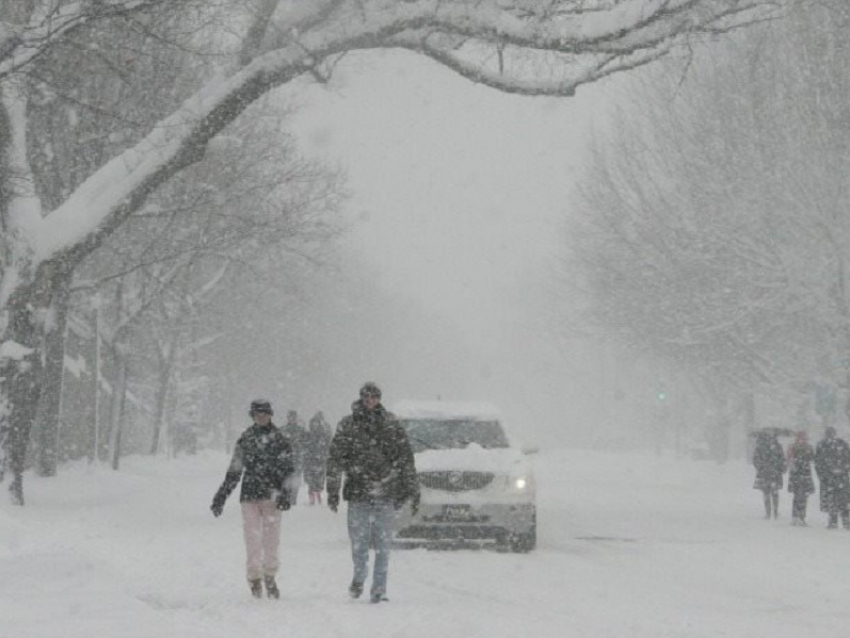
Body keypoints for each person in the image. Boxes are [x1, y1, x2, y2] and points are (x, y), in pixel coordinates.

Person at [326, 382, 420, 603]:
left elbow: (405, 458)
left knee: (383, 546)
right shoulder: (348, 424)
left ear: (379, 398)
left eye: (373, 396)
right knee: (359, 545)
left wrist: (412, 488)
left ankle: (379, 589)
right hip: (358, 493)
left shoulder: (391, 424)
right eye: (366, 396)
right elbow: (335, 458)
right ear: (361, 398)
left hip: (385, 493)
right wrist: (333, 489)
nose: (369, 400)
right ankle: (359, 576)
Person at [210, 399, 294, 598]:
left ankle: (270, 576)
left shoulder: (280, 439)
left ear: (270, 414)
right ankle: (255, 579)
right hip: (249, 496)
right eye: (257, 413)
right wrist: (221, 496)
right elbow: (235, 470)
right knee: (252, 539)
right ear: (252, 415)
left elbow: (288, 470)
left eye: (264, 413)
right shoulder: (246, 438)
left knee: (271, 541)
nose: (261, 416)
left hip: (273, 497)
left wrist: (286, 494)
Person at [814, 426, 850, 529]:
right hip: (838, 477)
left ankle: (836, 521)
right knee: (841, 500)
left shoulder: (823, 445)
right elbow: (818, 463)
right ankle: (844, 521)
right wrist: (843, 470)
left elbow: (818, 463)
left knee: (835, 499)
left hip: (833, 478)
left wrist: (823, 475)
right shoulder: (841, 444)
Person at [752, 429, 786, 519]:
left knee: (767, 492)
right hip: (773, 472)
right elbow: (782, 458)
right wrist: (781, 467)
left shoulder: (760, 446)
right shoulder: (777, 446)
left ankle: (770, 512)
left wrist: (761, 467)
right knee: (773, 492)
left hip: (766, 472)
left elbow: (755, 460)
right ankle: (773, 512)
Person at [786, 431, 815, 526]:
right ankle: (795, 517)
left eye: (804, 438)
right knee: (797, 496)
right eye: (800, 438)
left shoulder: (808, 447)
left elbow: (812, 458)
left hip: (804, 474)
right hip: (798, 474)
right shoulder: (793, 447)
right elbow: (789, 459)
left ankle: (801, 517)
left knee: (804, 497)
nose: (802, 440)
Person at [303, 411, 332, 505]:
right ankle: (312, 498)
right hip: (310, 460)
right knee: (310, 480)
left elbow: (328, 445)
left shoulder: (324, 434)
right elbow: (304, 446)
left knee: (319, 480)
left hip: (320, 460)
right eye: (313, 423)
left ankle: (318, 496)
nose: (315, 425)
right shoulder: (308, 435)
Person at [281, 410, 307, 505]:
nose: (292, 419)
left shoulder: (301, 430)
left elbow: (306, 443)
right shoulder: (282, 430)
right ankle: (287, 497)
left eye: (293, 417)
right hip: (285, 460)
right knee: (286, 480)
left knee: (295, 480)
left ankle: (293, 498)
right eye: (290, 417)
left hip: (297, 459)